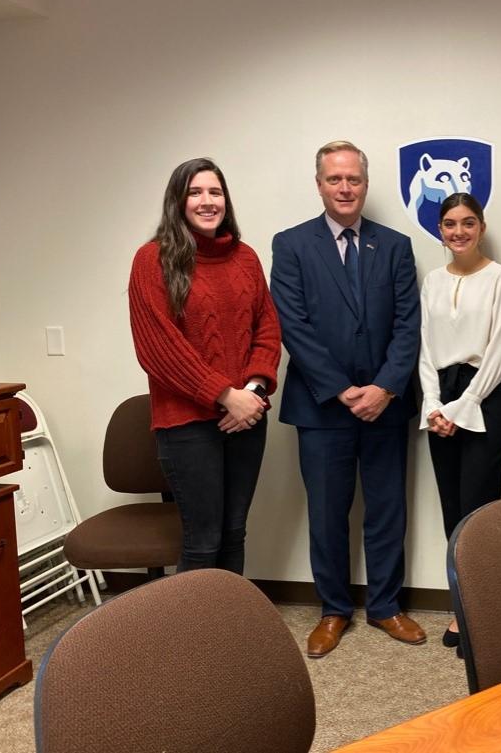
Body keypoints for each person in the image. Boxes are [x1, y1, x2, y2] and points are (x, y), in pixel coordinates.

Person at [270, 140, 424, 658]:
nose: (344, 187)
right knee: (327, 514)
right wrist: (340, 388)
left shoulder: (395, 246)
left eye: (353, 179)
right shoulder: (291, 245)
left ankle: (385, 606)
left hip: (385, 405)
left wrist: (384, 387)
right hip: (321, 407)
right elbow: (293, 324)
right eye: (334, 179)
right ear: (319, 184)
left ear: (365, 184)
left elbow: (408, 324)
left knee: (387, 511)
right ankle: (333, 610)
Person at [128, 157, 280, 575]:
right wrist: (226, 396)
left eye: (215, 191)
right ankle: (192, 622)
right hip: (188, 426)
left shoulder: (245, 258)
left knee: (234, 533)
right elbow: (158, 348)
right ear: (177, 201)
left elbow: (267, 329)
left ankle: (229, 618)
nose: (207, 201)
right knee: (203, 540)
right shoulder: (152, 259)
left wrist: (253, 393)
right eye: (195, 192)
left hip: (247, 418)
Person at [418, 193, 501, 651]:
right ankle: (463, 608)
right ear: (440, 230)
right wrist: (433, 406)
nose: (459, 231)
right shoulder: (433, 281)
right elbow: (424, 349)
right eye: (450, 224)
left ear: (481, 227)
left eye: (468, 223)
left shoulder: (500, 278)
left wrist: (463, 406)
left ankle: (485, 613)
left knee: (480, 511)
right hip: (442, 401)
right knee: (452, 510)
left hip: (485, 397)